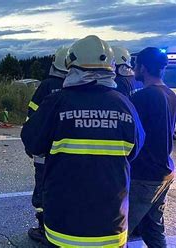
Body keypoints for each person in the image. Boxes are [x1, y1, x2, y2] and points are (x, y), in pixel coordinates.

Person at [21, 35, 145, 247]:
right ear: (111, 68)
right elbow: (136, 149)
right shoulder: (124, 105)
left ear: (71, 66)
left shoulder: (57, 102)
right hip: (111, 227)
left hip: (64, 226)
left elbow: (32, 143)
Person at [128, 47, 175, 247]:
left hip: (144, 176)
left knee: (117, 230)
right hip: (164, 172)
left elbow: (130, 136)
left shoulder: (141, 98)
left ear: (144, 68)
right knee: (153, 228)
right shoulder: (171, 95)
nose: (133, 69)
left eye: (135, 65)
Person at [26, 46, 69, 243]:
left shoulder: (47, 85)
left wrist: (32, 144)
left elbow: (32, 113)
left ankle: (43, 228)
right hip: (67, 153)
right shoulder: (76, 88)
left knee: (42, 187)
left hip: (44, 151)